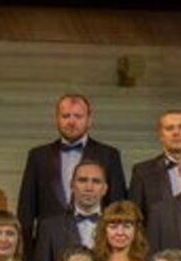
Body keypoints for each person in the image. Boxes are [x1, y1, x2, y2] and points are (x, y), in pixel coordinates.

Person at [16, 93, 126, 251]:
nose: (71, 121)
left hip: (98, 244)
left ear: (89, 120)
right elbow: (26, 208)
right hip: (48, 247)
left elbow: (117, 205)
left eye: (78, 116)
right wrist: (26, 252)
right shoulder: (38, 156)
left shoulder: (109, 155)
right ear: (56, 119)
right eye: (65, 116)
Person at [30, 159, 110, 261]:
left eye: (96, 181)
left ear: (105, 189)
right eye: (82, 180)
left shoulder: (117, 226)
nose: (89, 188)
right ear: (72, 185)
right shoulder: (50, 228)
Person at [128, 110, 181, 221]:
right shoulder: (142, 172)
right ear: (160, 135)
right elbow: (134, 216)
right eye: (169, 128)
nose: (176, 133)